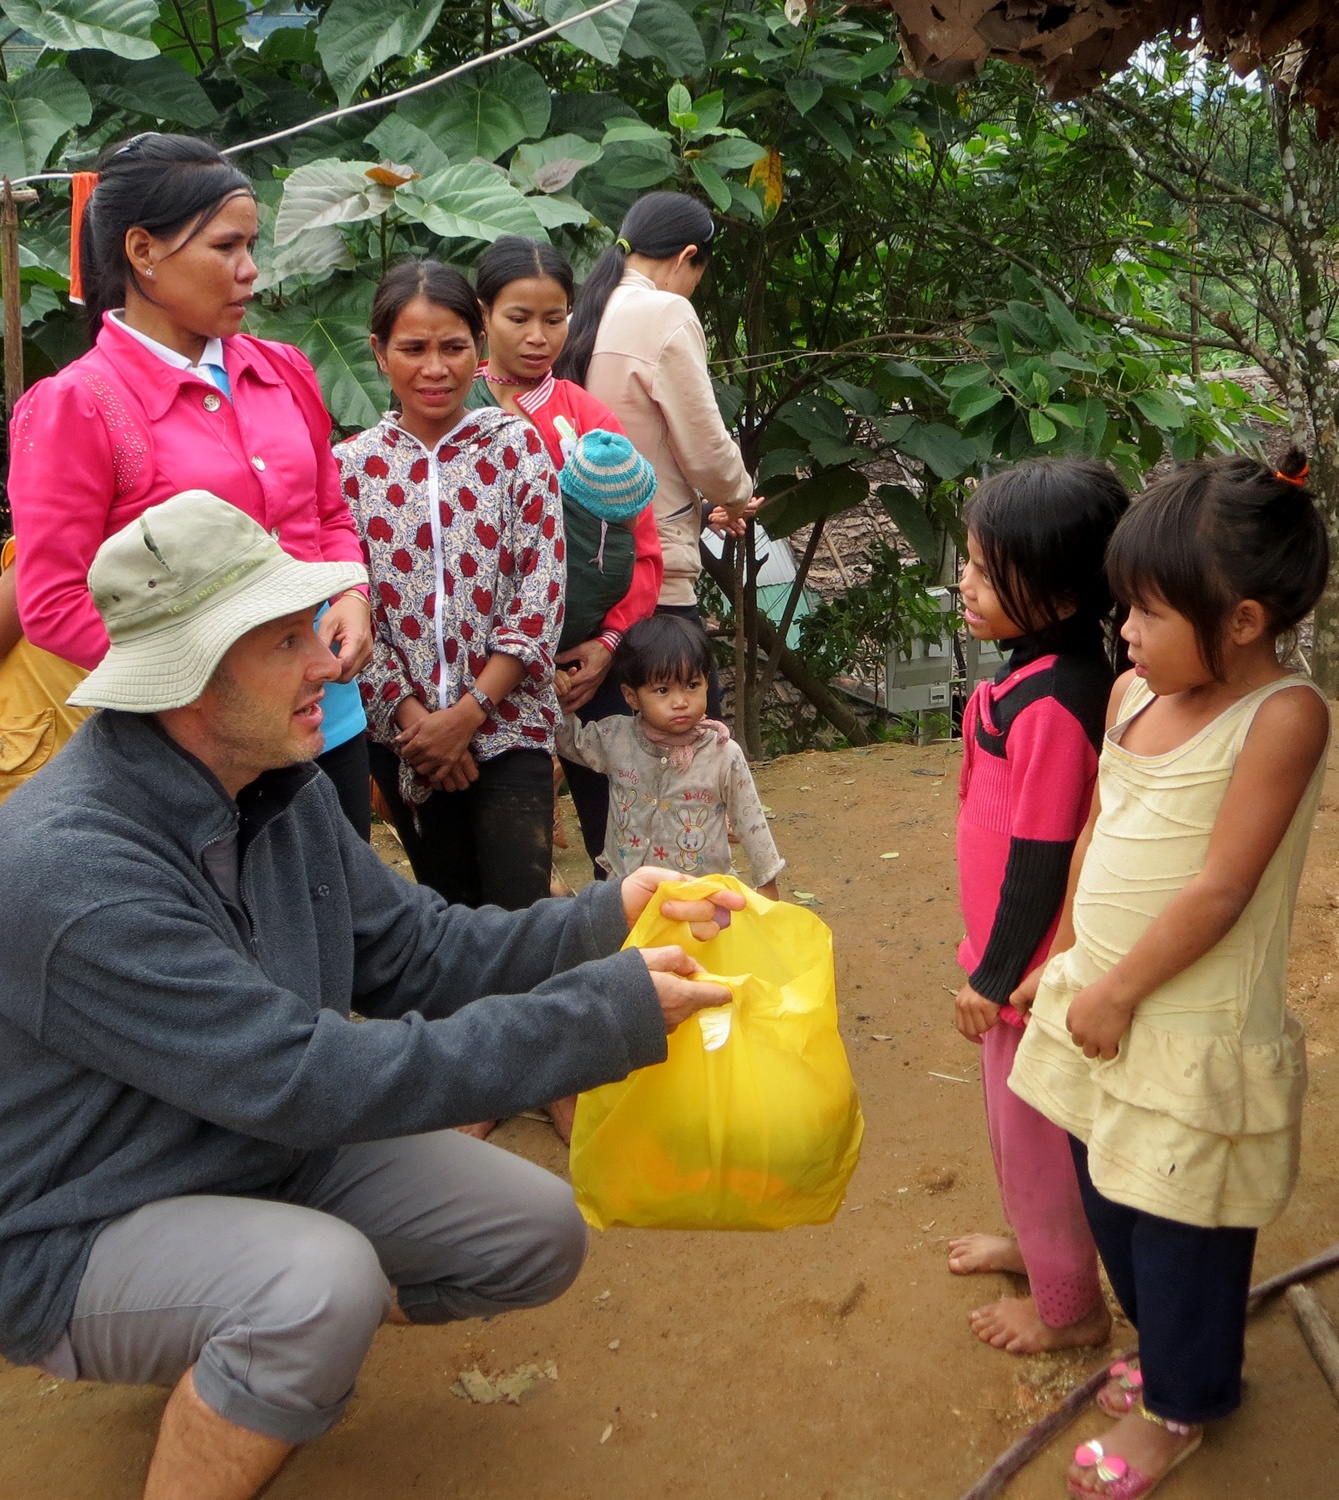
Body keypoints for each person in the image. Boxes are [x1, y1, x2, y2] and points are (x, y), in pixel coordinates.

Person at [0, 488, 743, 1500]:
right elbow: (306, 1078)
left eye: (312, 628)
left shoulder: (274, 783)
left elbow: (414, 950)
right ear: (188, 675)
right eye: (284, 642)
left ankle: (250, 1340)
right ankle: (262, 1330)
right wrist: (601, 1014)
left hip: (255, 1144)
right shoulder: (74, 873)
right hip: (84, 1217)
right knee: (317, 1288)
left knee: (535, 1231)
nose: (328, 661)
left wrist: (606, 917)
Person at [1008, 448, 1329, 1498]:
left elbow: (1219, 889)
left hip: (1183, 1030)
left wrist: (1115, 991)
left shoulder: (1281, 716)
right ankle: (1170, 1356)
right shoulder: (1130, 697)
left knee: (1184, 1227)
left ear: (1240, 620)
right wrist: (1065, 958)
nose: (1126, 633)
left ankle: (1182, 1406)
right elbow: (1099, 832)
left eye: (1148, 612)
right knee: (1115, 1199)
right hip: (1101, 1011)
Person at [6, 131, 374, 835]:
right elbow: (52, 602)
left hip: (330, 719)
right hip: (201, 749)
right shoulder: (78, 405)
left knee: (345, 900)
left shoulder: (284, 370)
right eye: (226, 246)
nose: (251, 271)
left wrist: (352, 594)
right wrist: (202, 687)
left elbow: (328, 516)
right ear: (143, 251)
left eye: (251, 245)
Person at [947, 459, 1129, 1358]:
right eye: (970, 562)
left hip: (1028, 979)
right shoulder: (1035, 675)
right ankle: (1032, 1245)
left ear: (1058, 596)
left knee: (1036, 1140)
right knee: (1012, 1127)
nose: (964, 582)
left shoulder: (1055, 702)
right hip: (1009, 961)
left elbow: (1040, 858)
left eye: (986, 571)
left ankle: (1069, 1306)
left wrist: (995, 975)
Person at [339, 259, 563, 911]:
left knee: (521, 915)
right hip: (404, 740)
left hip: (510, 725)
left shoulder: (518, 450)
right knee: (448, 920)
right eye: (413, 349)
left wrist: (466, 716)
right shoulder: (351, 470)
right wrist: (418, 724)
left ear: (479, 346)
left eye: (453, 347)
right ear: (379, 352)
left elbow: (541, 594)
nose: (434, 368)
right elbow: (351, 607)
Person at [469, 234, 664, 872]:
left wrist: (606, 644)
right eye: (518, 318)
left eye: (555, 319)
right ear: (482, 314)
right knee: (503, 860)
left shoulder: (589, 421)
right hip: (478, 676)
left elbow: (642, 550)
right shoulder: (448, 410)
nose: (538, 337)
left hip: (586, 669)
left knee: (623, 837)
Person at [557, 191, 756, 709]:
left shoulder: (579, 313)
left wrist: (705, 508)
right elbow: (707, 453)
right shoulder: (666, 312)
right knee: (690, 742)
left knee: (601, 747)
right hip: (653, 578)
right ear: (688, 256)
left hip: (584, 572)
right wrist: (736, 495)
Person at [557, 614, 783, 895]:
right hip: (627, 890)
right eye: (662, 690)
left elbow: (750, 820)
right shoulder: (616, 738)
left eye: (692, 685)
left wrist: (767, 881)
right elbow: (570, 741)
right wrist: (556, 695)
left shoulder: (723, 753)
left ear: (707, 683)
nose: (680, 702)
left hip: (700, 894)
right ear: (631, 696)